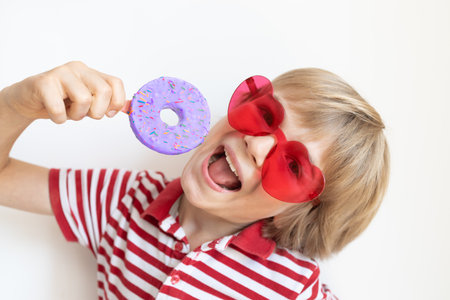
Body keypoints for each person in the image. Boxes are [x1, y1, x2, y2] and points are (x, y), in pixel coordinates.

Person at [0, 61, 389, 299]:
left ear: (297, 213)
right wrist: (17, 105)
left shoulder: (294, 287)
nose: (256, 145)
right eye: (265, 116)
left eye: (292, 166)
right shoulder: (124, 200)